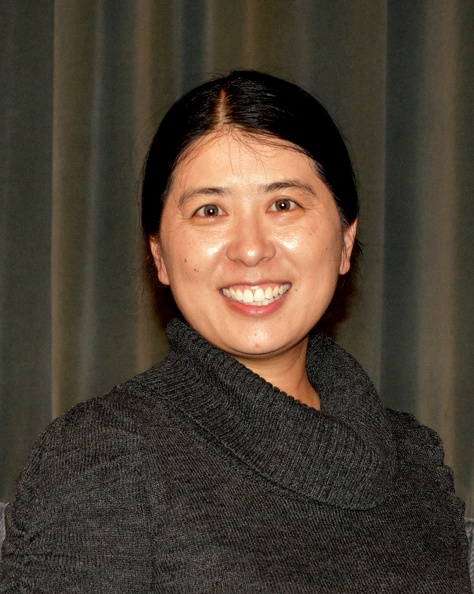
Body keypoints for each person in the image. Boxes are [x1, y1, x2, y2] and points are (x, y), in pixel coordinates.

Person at [0, 71, 470, 592]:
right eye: (210, 210)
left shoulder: (417, 461)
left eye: (283, 204)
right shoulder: (103, 456)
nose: (250, 249)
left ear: (344, 240)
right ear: (159, 255)